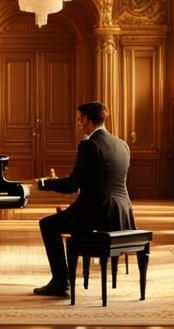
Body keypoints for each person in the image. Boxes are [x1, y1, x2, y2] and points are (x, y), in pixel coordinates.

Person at [32, 100, 136, 297]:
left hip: (96, 214)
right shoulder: (122, 145)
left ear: (87, 120)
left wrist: (45, 184)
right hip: (122, 213)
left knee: (47, 225)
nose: (79, 124)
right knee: (57, 222)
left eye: (80, 120)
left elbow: (72, 184)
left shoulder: (89, 145)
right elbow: (100, 179)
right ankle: (61, 281)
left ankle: (60, 282)